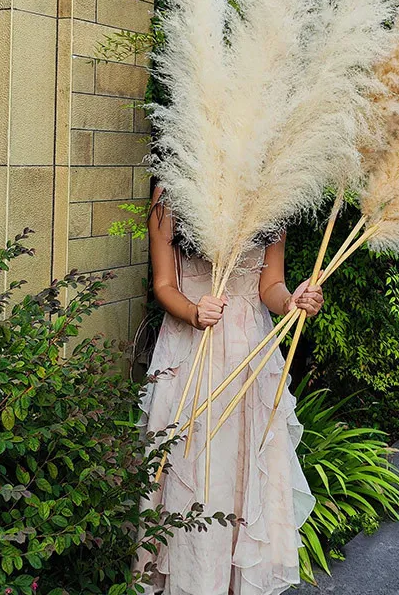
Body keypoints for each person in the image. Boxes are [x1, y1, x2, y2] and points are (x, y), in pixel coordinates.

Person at [135, 187, 322, 595]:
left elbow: (270, 286)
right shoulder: (172, 191)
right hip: (191, 351)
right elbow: (164, 283)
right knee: (196, 475)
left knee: (242, 477)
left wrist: (293, 300)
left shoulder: (274, 186)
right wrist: (193, 310)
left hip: (250, 356)